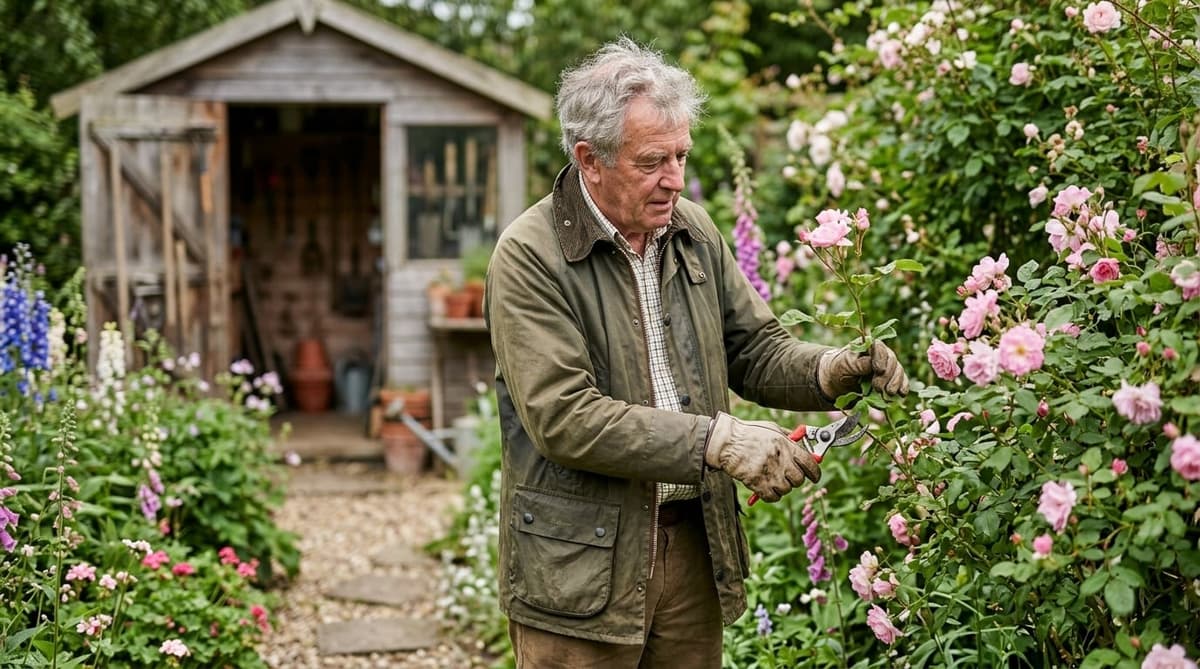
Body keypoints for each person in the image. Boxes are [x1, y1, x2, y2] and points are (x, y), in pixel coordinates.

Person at [483, 37, 909, 668]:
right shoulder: (530, 255)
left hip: (691, 548)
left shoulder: (692, 232)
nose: (675, 180)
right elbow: (565, 418)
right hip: (579, 563)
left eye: (681, 156)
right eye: (653, 161)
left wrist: (829, 369)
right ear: (589, 159)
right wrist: (719, 440)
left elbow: (755, 349)